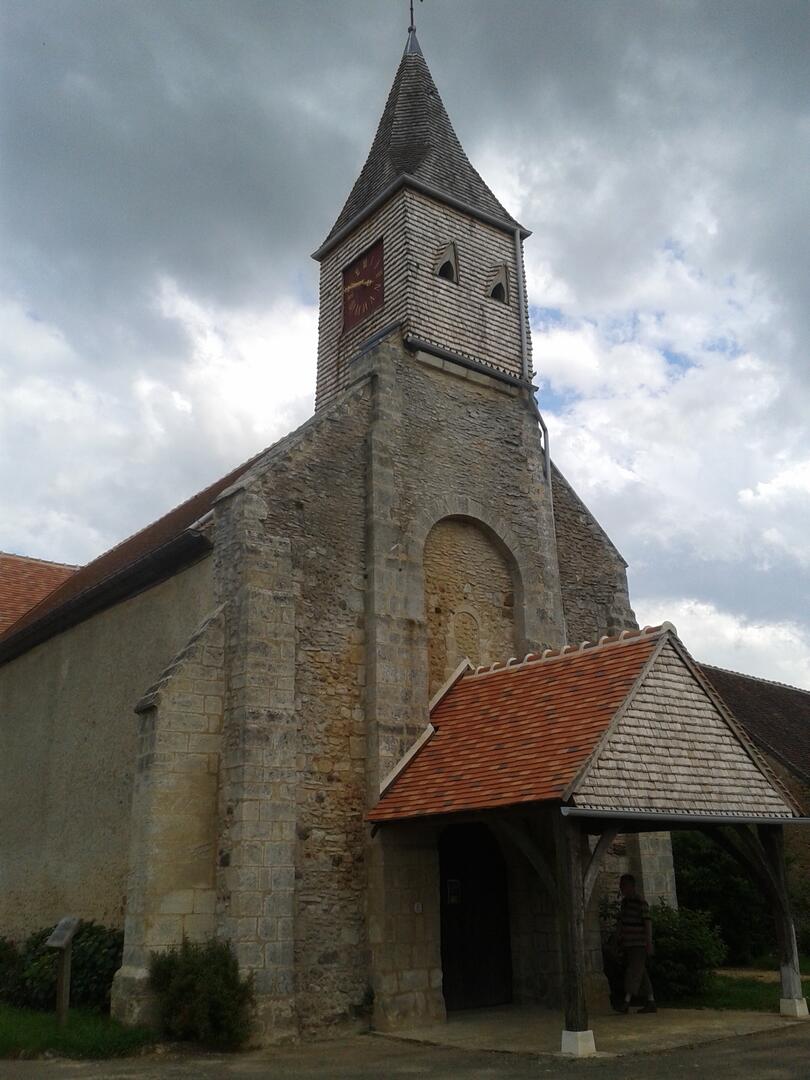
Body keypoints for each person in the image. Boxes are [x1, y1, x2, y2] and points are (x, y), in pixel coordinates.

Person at [615, 873, 657, 1014]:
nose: (622, 889)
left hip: (639, 943)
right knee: (640, 972)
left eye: (624, 886)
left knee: (633, 972)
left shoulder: (641, 902)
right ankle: (651, 1001)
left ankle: (627, 1001)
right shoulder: (625, 903)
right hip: (629, 943)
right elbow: (621, 922)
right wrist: (618, 939)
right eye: (621, 886)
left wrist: (648, 943)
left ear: (631, 886)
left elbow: (647, 923)